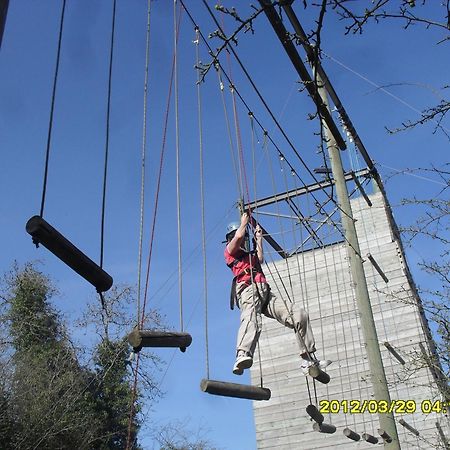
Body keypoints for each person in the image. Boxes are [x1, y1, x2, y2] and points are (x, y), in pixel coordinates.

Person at [224, 212, 330, 376]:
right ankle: (242, 353)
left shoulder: (249, 255)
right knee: (251, 318)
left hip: (265, 292)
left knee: (299, 315)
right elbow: (237, 239)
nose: (243, 240)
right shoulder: (230, 251)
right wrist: (244, 224)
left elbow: (259, 259)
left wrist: (258, 239)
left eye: (245, 238)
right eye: (241, 237)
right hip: (248, 289)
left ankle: (308, 358)